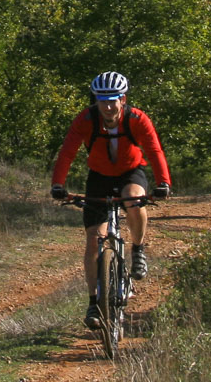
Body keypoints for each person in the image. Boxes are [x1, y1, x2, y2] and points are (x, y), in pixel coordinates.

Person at [49, 71, 172, 330]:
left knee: (132, 198)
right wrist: (58, 184)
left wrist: (164, 183)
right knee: (94, 240)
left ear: (122, 100)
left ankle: (138, 249)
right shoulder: (86, 120)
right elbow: (68, 151)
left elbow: (154, 149)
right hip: (99, 176)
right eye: (101, 100)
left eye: (112, 100)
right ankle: (94, 302)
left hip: (131, 171)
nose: (107, 106)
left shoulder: (137, 119)